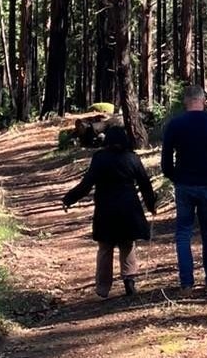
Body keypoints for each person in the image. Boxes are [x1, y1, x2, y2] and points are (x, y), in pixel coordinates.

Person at [63, 126, 157, 298]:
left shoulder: (99, 159)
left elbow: (87, 184)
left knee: (105, 248)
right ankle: (129, 279)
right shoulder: (132, 158)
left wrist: (69, 198)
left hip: (106, 208)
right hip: (129, 207)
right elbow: (145, 184)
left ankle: (103, 287)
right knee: (127, 244)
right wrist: (151, 205)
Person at [161, 85, 207, 292]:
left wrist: (173, 176)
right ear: (203, 100)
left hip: (184, 184)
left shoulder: (175, 124)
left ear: (186, 101)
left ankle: (186, 283)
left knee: (183, 234)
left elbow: (166, 158)